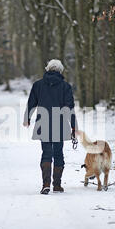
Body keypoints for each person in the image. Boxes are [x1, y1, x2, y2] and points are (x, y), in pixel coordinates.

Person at [23, 59, 78, 195]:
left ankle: (45, 184)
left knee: (46, 153)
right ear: (60, 70)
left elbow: (31, 103)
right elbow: (69, 108)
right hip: (59, 123)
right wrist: (73, 126)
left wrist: (27, 118)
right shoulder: (65, 87)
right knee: (58, 153)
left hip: (43, 122)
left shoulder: (38, 85)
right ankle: (57, 185)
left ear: (47, 69)